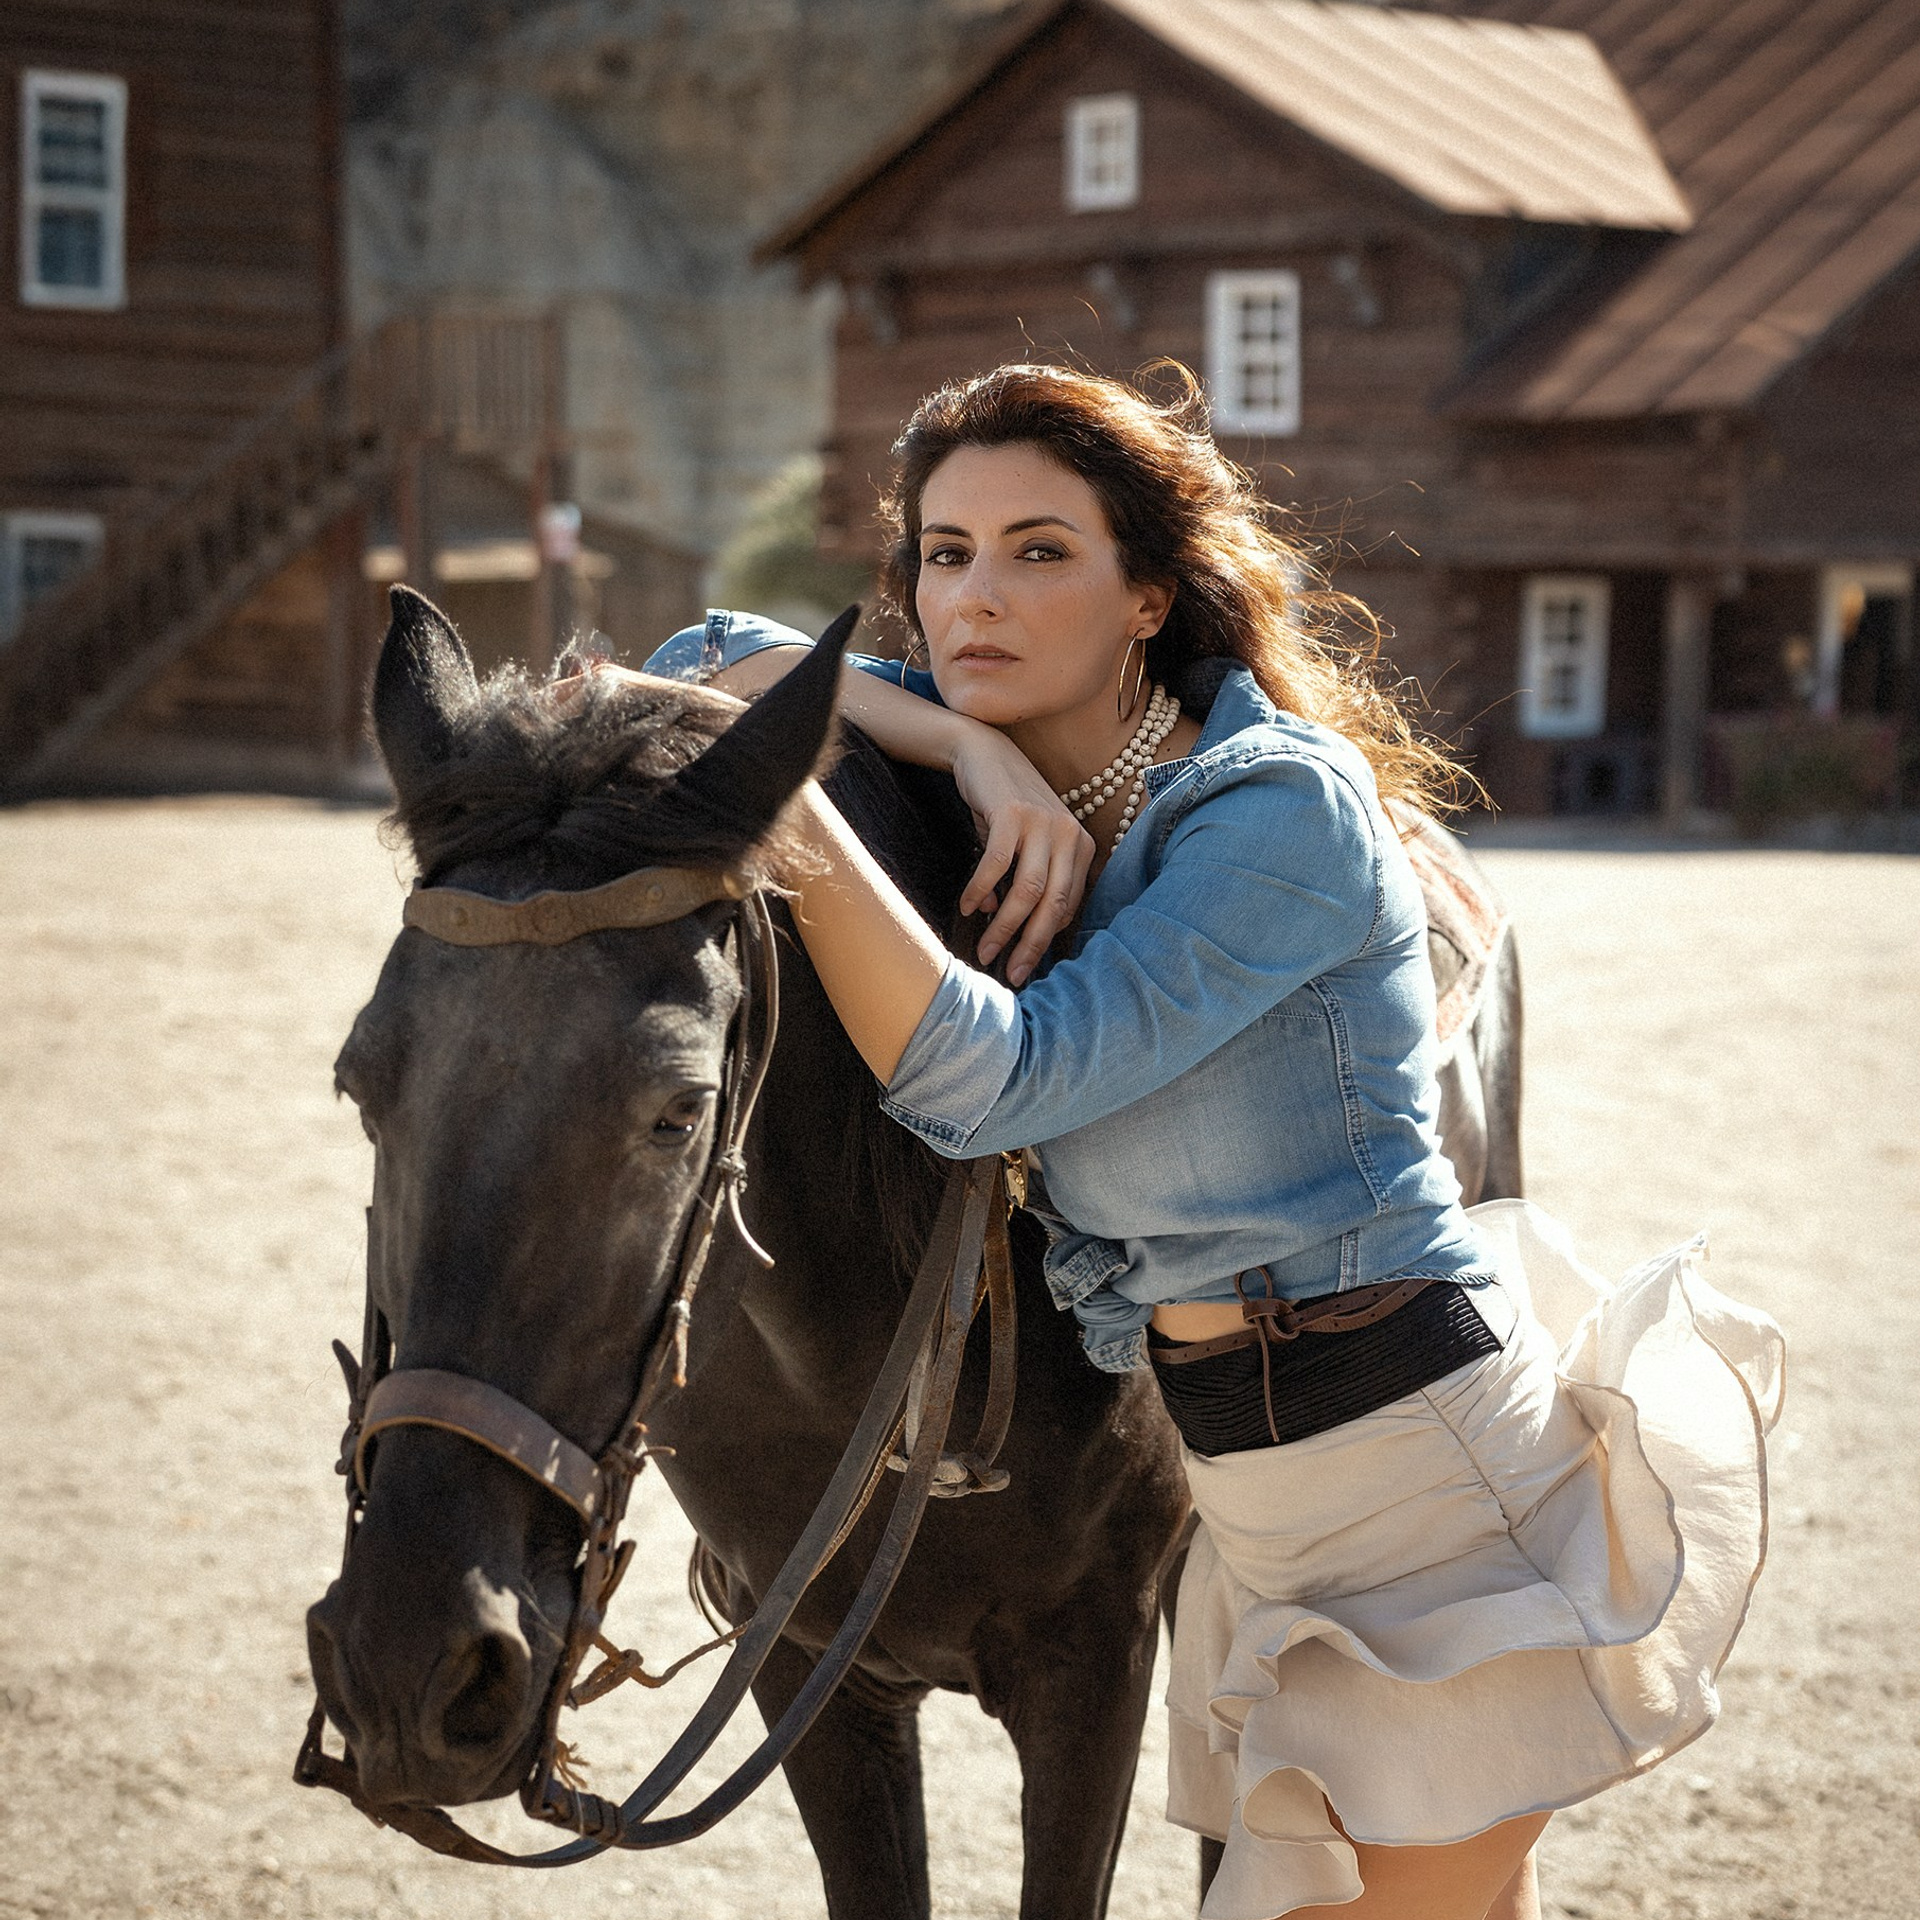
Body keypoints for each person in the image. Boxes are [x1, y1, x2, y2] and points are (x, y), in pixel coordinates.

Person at [635, 364, 1783, 1920]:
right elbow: (695, 653)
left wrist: (800, 792)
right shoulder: (1031, 790)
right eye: (944, 554)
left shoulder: (1273, 814)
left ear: (1146, 599)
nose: (976, 593)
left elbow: (991, 1080)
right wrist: (952, 744)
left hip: (1418, 1483)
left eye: (1042, 550)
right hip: (1250, 1518)